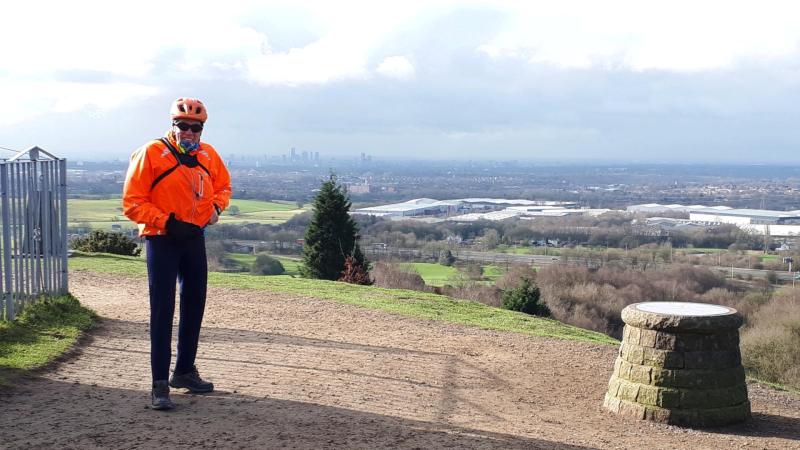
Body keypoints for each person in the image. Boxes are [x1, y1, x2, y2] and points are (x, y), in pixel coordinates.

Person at [123, 98, 231, 410]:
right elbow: (132, 202)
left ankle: (184, 370)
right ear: (173, 124)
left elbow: (224, 186)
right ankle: (159, 385)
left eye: (195, 127)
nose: (189, 131)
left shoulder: (209, 155)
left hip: (194, 237)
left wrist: (215, 207)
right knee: (163, 308)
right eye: (183, 125)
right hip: (162, 239)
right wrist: (167, 222)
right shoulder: (151, 153)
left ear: (202, 128)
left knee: (195, 302)